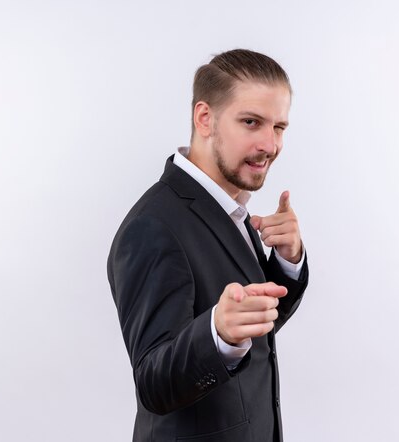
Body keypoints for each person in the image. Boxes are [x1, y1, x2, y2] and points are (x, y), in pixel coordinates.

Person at [107, 48, 309, 442]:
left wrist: (288, 263)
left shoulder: (228, 208)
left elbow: (254, 329)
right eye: (251, 122)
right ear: (205, 118)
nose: (270, 144)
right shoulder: (153, 225)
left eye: (279, 127)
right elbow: (153, 382)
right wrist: (215, 332)